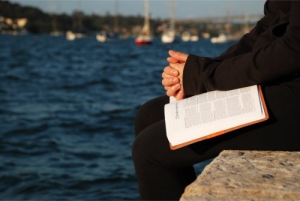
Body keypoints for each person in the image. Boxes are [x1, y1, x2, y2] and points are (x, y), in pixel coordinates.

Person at [132, 0, 300, 200]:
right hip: (288, 81)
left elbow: (294, 48)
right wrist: (207, 69)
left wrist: (205, 76)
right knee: (149, 114)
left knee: (149, 150)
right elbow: (271, 22)